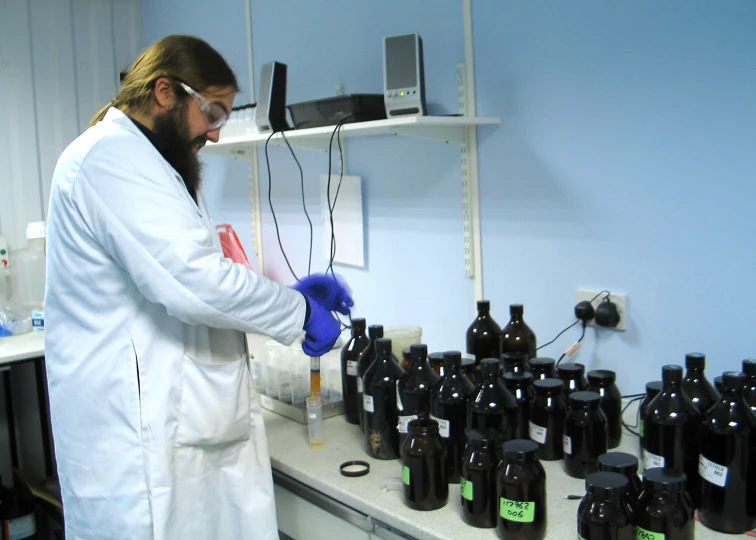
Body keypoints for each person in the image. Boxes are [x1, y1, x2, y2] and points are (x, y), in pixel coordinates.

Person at [44, 35, 352, 539]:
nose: (213, 134)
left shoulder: (151, 163)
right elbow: (192, 280)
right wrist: (296, 312)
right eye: (212, 113)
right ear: (165, 92)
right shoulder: (109, 160)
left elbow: (197, 271)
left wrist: (290, 296)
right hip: (138, 445)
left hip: (179, 426)